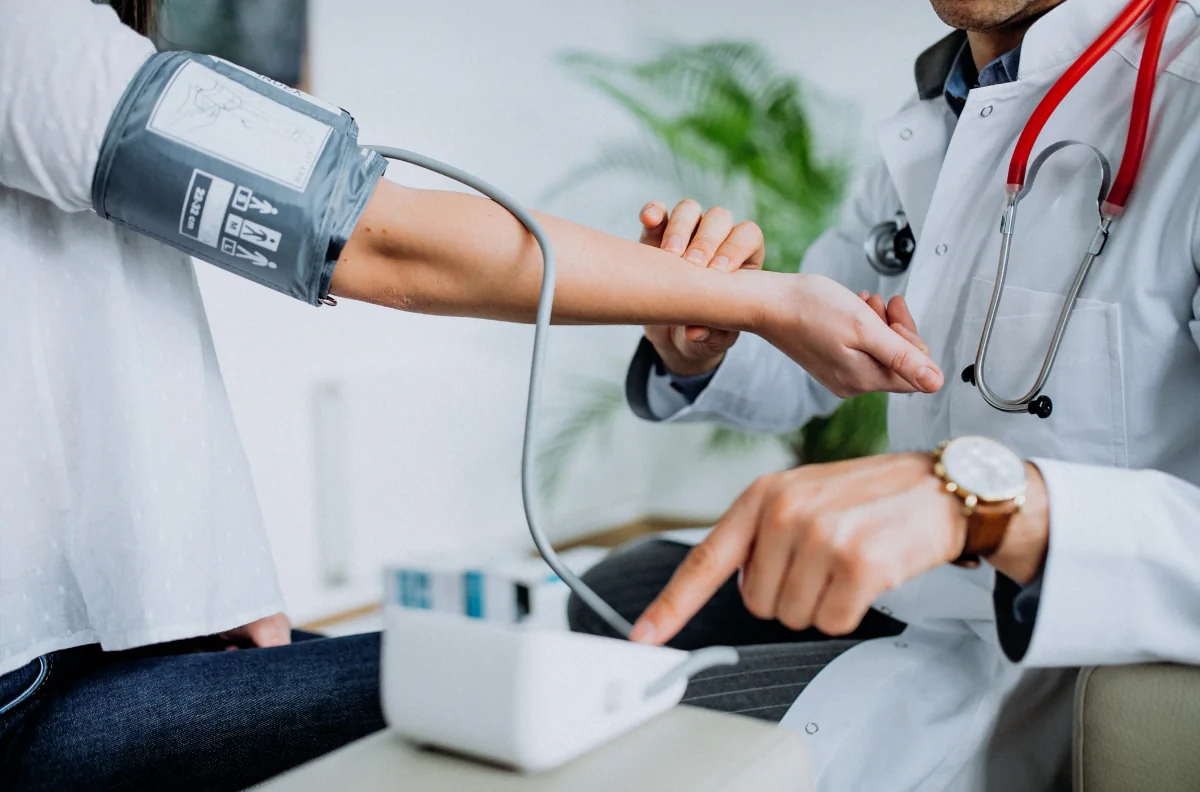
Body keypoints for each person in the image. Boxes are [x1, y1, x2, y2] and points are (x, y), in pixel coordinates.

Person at [0, 1, 945, 790]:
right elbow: (380, 237)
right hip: (27, 690)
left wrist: (197, 580)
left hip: (93, 637)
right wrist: (752, 302)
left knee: (583, 644)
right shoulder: (27, 35)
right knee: (552, 672)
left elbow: (76, 344)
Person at [571, 0, 1200, 789]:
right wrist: (705, 333)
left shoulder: (1186, 97)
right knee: (611, 593)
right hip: (922, 581)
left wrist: (990, 507)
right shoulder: (947, 107)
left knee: (632, 744)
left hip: (1058, 624)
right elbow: (810, 357)